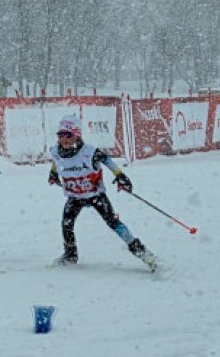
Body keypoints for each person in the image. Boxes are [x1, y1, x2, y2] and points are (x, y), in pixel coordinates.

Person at [47, 114, 157, 271]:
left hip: (96, 195)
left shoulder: (89, 152)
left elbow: (107, 160)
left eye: (68, 135)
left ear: (76, 135)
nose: (64, 139)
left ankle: (142, 252)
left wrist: (120, 176)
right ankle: (70, 255)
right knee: (66, 224)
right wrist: (53, 173)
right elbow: (56, 162)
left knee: (113, 223)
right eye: (60, 135)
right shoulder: (56, 152)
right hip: (75, 197)